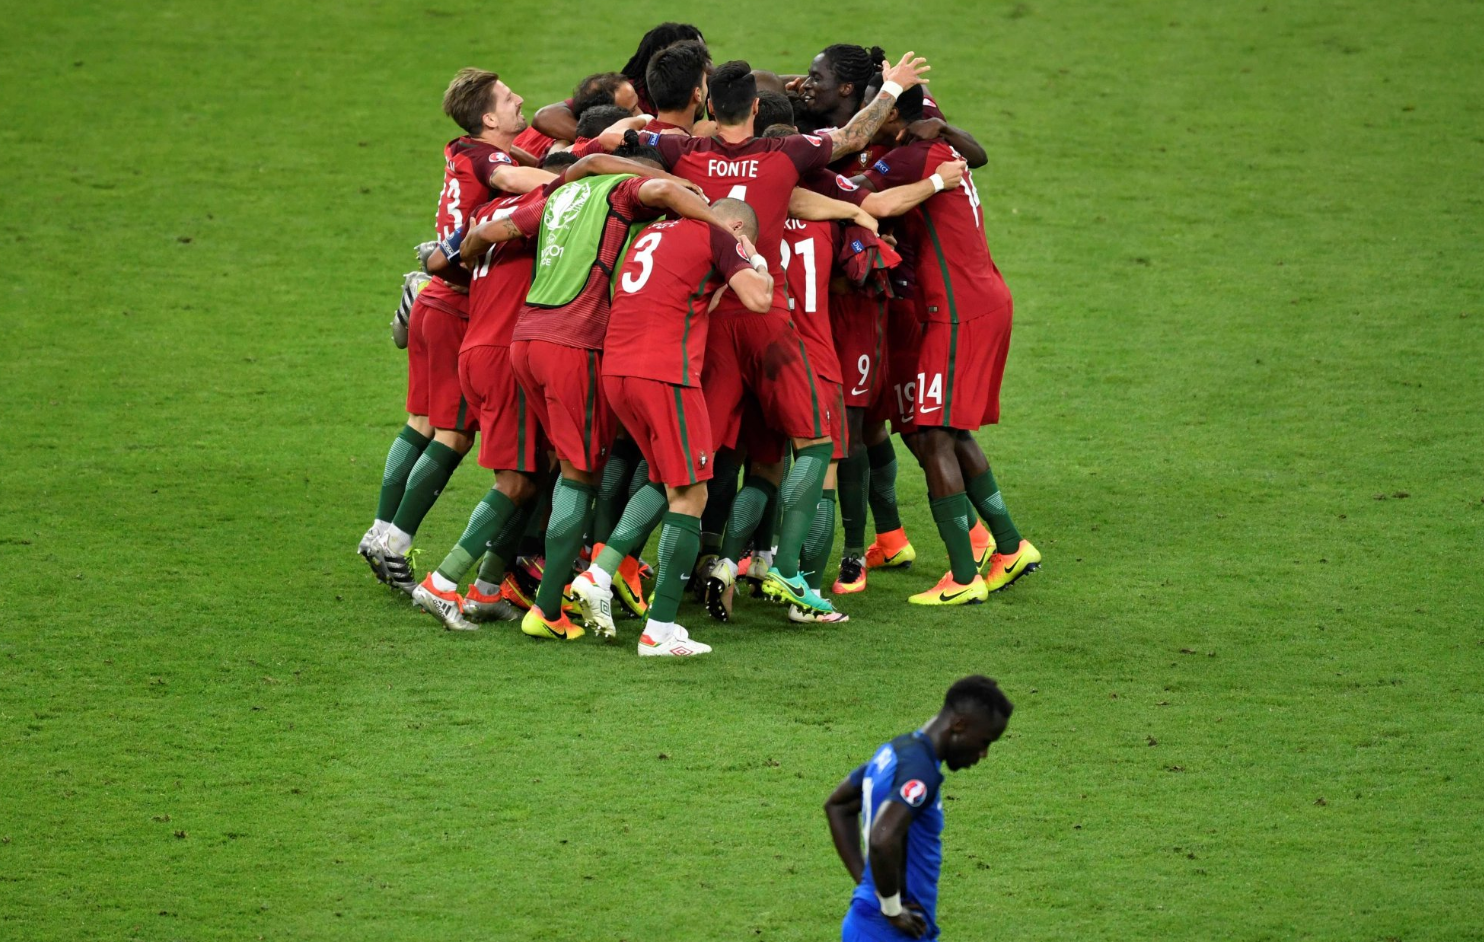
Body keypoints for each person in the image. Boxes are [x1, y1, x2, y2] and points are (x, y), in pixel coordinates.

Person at [646, 53, 930, 621]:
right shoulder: (784, 157)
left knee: (690, 462)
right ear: (755, 107)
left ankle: (628, 580)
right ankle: (785, 570)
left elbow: (626, 147)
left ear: (708, 107)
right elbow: (853, 136)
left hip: (710, 321)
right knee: (817, 444)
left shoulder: (686, 154)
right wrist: (893, 87)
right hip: (768, 322)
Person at [457, 134, 726, 642]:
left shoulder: (560, 196)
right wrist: (724, 231)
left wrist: (466, 249)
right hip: (575, 345)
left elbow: (491, 230)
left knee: (557, 467)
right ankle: (549, 606)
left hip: (525, 340)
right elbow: (660, 195)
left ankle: (502, 585)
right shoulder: (625, 193)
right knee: (581, 478)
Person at [360, 67, 551, 593]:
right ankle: (394, 541)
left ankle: (381, 531)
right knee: (452, 433)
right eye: (510, 98)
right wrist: (580, 180)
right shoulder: (487, 159)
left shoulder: (467, 152)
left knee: (421, 422)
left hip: (438, 298)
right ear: (488, 117)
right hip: (462, 306)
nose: (521, 102)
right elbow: (514, 181)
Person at [568, 199, 774, 655]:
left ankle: (598, 574)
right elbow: (760, 299)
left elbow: (690, 293)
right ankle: (659, 630)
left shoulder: (653, 234)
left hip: (618, 370)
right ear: (737, 224)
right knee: (694, 492)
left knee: (664, 478)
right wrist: (754, 258)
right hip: (664, 373)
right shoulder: (720, 235)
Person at [859, 88, 1040, 604]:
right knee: (950, 430)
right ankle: (1008, 547)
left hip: (957, 311)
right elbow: (977, 153)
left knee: (932, 432)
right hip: (975, 299)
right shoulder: (934, 140)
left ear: (892, 113)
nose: (863, 122)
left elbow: (861, 195)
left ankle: (962, 578)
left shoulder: (910, 155)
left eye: (873, 113)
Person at [824, 675, 1013, 941]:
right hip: (889, 932)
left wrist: (870, 888)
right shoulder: (920, 771)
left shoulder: (896, 751)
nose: (984, 754)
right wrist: (891, 908)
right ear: (959, 724)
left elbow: (839, 805)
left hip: (866, 920)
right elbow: (882, 837)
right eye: (984, 742)